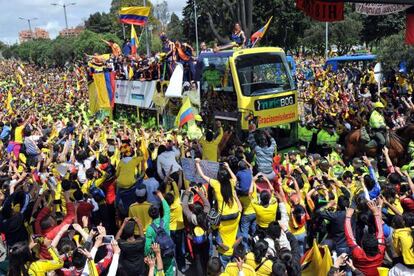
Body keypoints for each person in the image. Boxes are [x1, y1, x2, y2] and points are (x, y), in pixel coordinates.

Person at [195, 159, 241, 267]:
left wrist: (197, 163)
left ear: (218, 177)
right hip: (235, 215)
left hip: (223, 217)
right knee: (233, 232)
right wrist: (228, 167)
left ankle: (221, 253)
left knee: (218, 233)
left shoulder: (216, 184)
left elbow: (202, 175)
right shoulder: (231, 182)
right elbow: (234, 177)